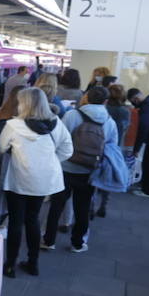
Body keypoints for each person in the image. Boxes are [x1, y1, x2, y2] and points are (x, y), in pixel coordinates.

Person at [0, 87, 73, 277]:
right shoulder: (57, 124)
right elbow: (67, 150)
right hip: (44, 181)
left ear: (25, 104)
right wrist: (51, 161)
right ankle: (33, 263)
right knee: (33, 219)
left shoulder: (14, 125)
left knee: (15, 221)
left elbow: (0, 148)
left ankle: (10, 265)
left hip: (19, 180)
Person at [44, 86, 119, 254]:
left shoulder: (72, 115)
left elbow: (58, 139)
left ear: (86, 97)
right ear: (106, 101)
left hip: (66, 168)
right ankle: (77, 243)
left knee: (57, 205)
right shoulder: (109, 121)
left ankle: (49, 240)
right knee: (83, 208)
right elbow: (111, 147)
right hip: (89, 171)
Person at [93, 83, 131, 219]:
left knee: (95, 175)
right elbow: (125, 129)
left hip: (98, 144)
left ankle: (91, 205)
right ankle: (103, 205)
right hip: (115, 147)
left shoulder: (103, 109)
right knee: (108, 174)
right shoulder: (125, 111)